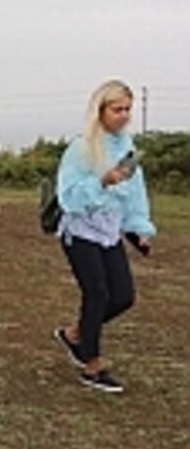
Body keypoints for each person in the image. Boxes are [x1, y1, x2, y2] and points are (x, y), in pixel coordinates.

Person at [52, 80, 155, 393]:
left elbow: (136, 195)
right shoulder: (81, 148)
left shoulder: (127, 149)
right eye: (116, 109)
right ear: (100, 111)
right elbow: (67, 196)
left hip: (110, 231)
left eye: (127, 109)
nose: (123, 115)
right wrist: (102, 181)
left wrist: (139, 227)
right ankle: (92, 365)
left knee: (122, 296)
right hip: (80, 229)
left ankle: (74, 335)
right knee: (96, 293)